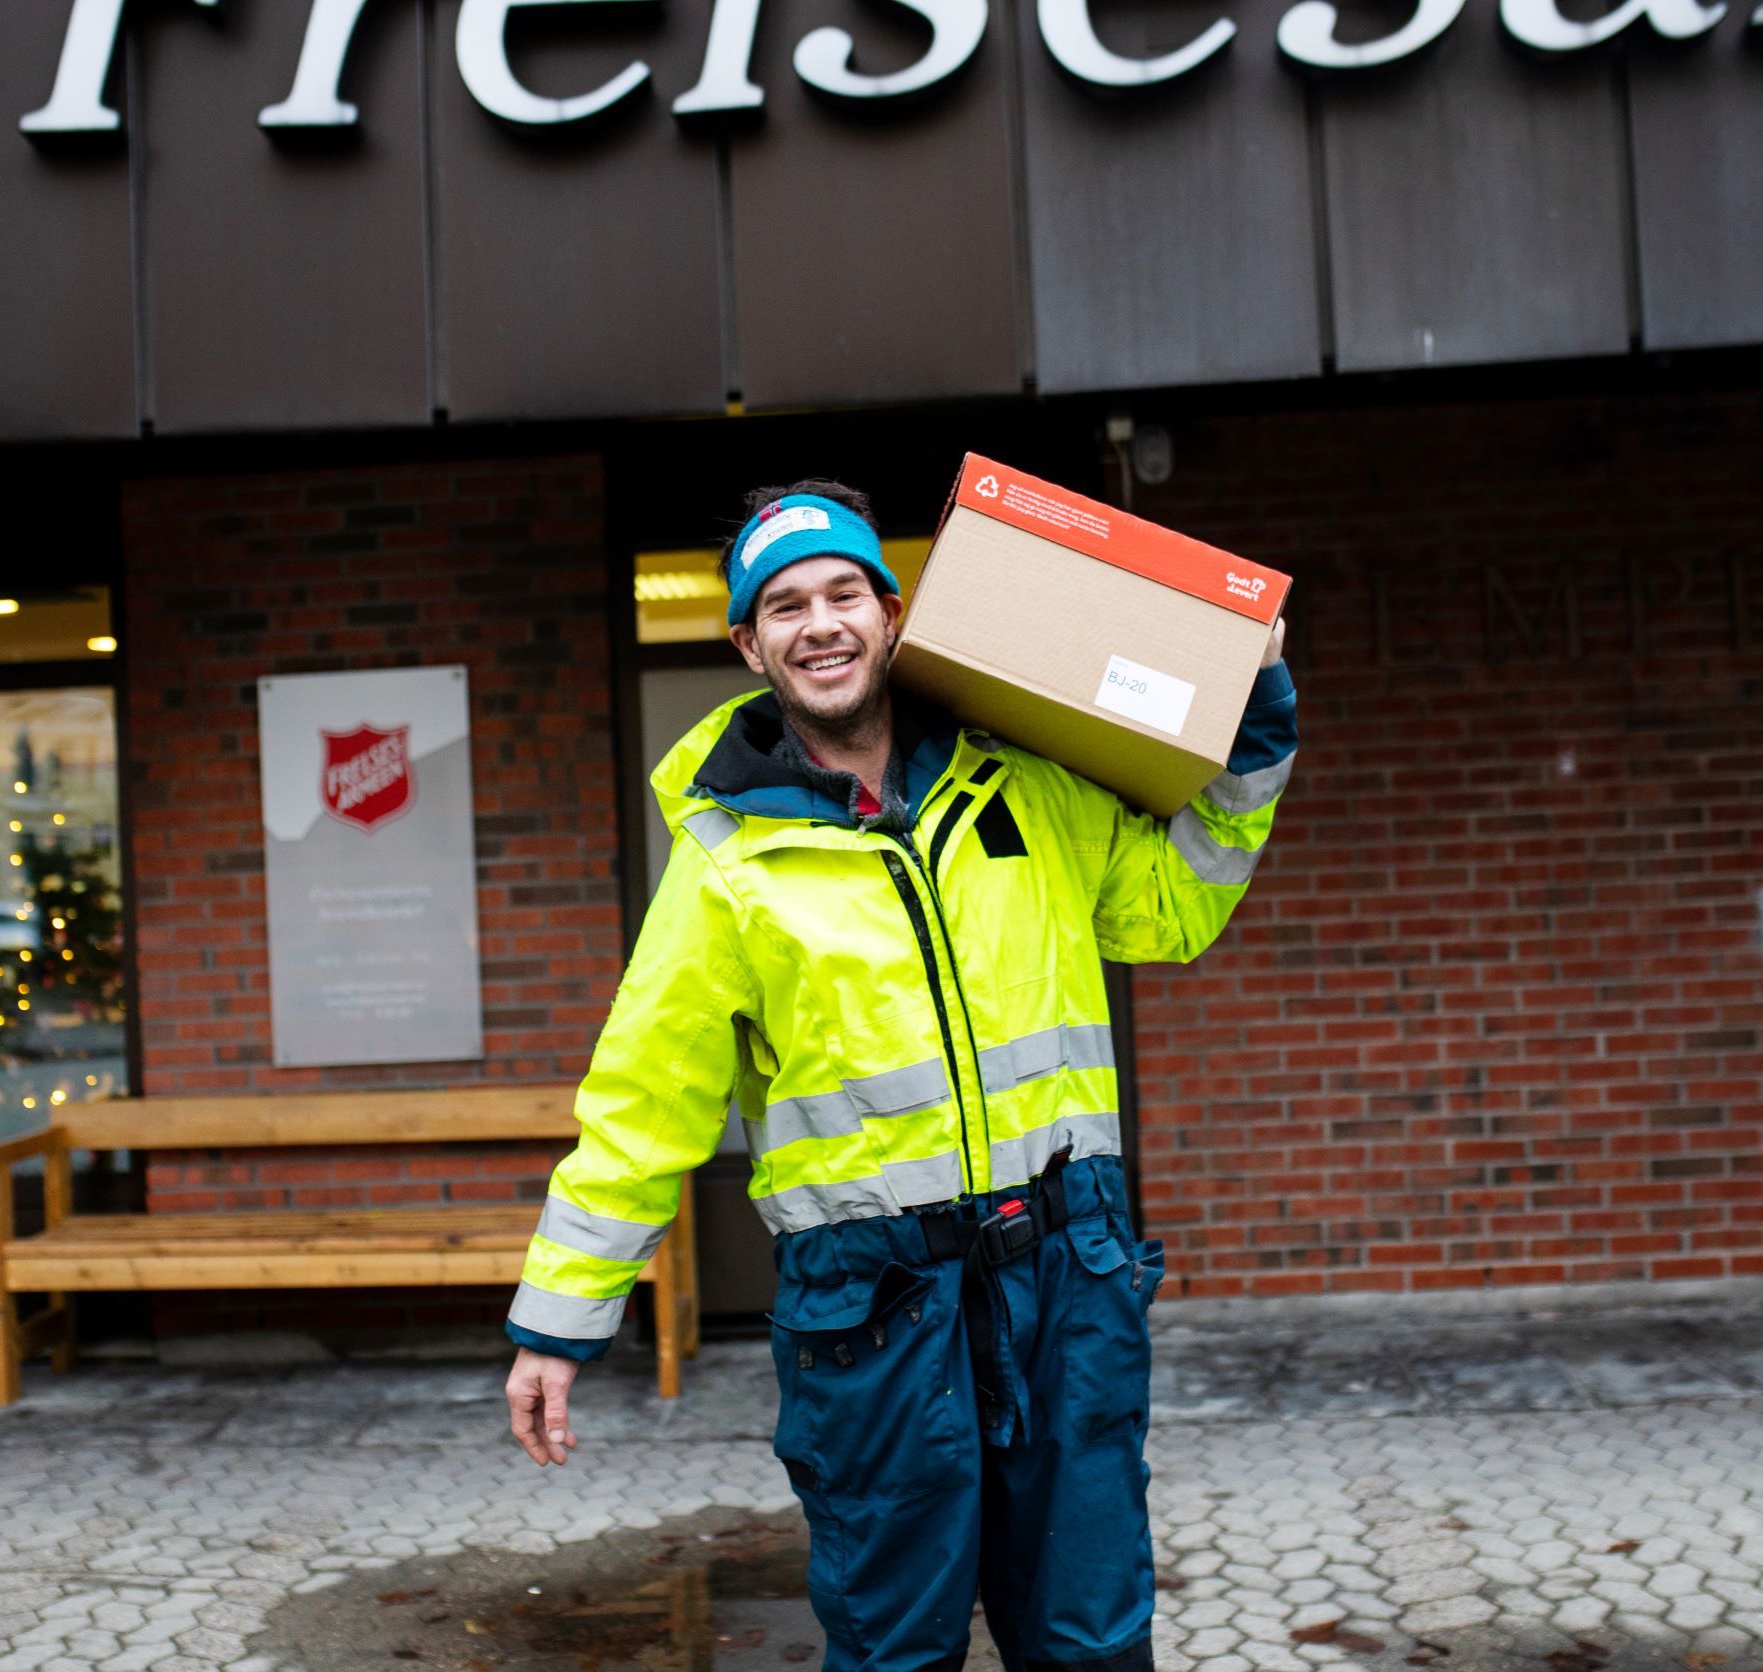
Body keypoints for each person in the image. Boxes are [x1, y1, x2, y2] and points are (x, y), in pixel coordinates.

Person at [501, 478, 1298, 1672]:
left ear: (890, 611)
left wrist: (1254, 726)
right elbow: (640, 1107)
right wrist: (559, 1326)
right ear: (747, 643)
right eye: (783, 605)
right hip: (872, 1315)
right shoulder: (727, 866)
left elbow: (1177, 904)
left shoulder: (1028, 785)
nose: (818, 622)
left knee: (1091, 1640)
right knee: (894, 1652)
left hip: (1066, 1279)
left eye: (840, 593)